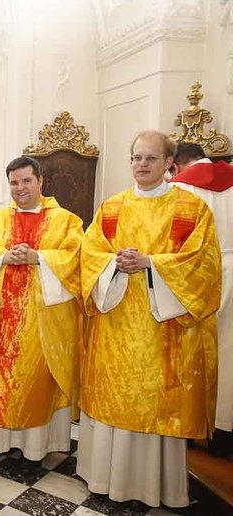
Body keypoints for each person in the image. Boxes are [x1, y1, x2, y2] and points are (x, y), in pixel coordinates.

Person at [78, 130, 221, 507]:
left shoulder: (190, 209)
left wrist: (150, 264)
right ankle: (104, 480)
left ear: (169, 163)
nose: (141, 165)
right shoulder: (112, 207)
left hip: (163, 330)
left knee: (155, 404)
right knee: (113, 400)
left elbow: (203, 265)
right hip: (115, 324)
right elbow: (89, 253)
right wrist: (113, 264)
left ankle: (151, 487)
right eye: (136, 157)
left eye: (151, 158)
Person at [0, 156, 83, 461]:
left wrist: (38, 257)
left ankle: (34, 448)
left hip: (41, 320)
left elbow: (75, 258)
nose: (20, 188)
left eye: (26, 181)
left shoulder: (66, 221)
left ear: (41, 181)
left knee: (34, 379)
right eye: (14, 183)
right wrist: (3, 256)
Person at [171, 142, 233, 455]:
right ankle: (224, 430)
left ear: (175, 165)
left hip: (198, 273)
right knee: (229, 351)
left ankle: (191, 424)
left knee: (191, 349)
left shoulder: (180, 190)